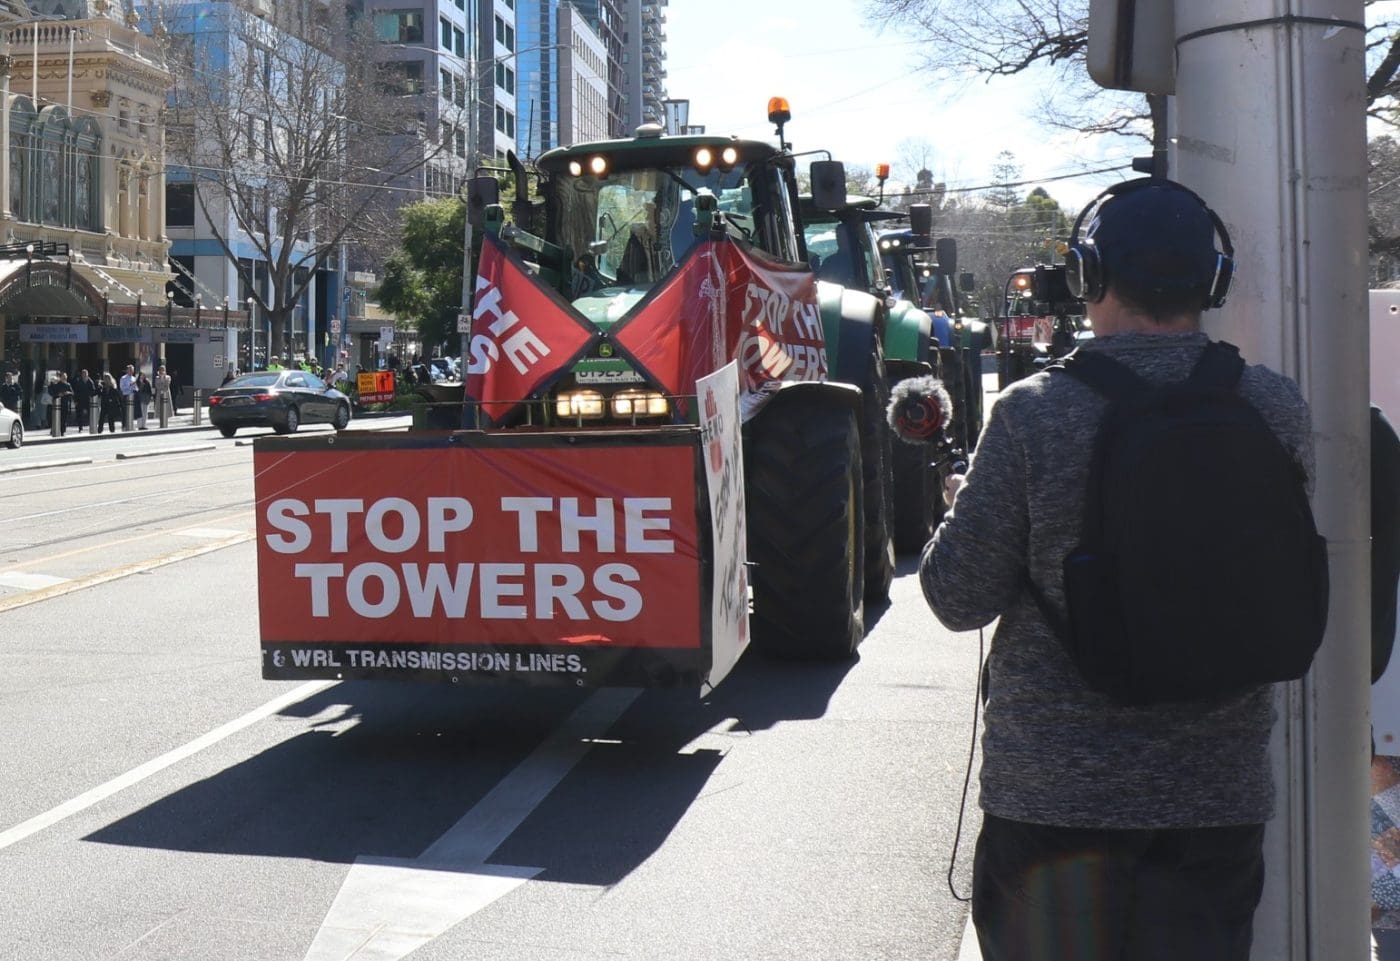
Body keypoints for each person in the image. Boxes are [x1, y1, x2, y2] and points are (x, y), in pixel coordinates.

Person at [919, 179, 1314, 961]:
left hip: (1055, 806)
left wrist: (959, 506)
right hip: (1216, 801)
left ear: (1088, 275)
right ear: (1213, 280)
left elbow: (957, 597)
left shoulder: (1034, 412)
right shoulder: (1274, 406)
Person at [72, 368, 96, 432]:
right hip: (80, 400)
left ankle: (91, 426)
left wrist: (90, 395)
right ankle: (80, 427)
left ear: (87, 374)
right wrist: (75, 400)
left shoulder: (90, 381)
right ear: (81, 374)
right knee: (80, 414)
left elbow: (93, 390)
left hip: (88, 400)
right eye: (83, 374)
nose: (84, 375)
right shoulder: (78, 381)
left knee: (90, 414)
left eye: (85, 374)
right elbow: (76, 391)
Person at [119, 363, 138, 429]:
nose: (131, 371)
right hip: (126, 396)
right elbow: (122, 388)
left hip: (132, 396)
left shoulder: (134, 378)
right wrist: (130, 385)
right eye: (130, 370)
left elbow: (136, 387)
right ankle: (124, 425)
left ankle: (130, 424)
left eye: (132, 370)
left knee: (131, 411)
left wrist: (136, 389)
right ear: (127, 370)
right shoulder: (123, 378)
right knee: (125, 412)